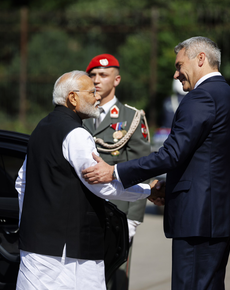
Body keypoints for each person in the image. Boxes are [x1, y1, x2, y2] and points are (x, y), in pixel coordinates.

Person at [83, 36, 230, 290]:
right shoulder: (227, 95)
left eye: (180, 65)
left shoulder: (201, 97)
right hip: (217, 217)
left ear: (200, 58)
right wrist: (168, 188)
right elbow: (206, 162)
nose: (175, 74)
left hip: (197, 220)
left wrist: (115, 171)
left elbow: (171, 154)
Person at [15, 70, 163, 290]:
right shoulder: (76, 134)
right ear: (73, 98)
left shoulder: (40, 128)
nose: (96, 97)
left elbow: (21, 183)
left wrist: (29, 226)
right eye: (91, 92)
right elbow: (102, 186)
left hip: (36, 247)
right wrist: (147, 190)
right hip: (69, 254)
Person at [83, 54, 151, 290]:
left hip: (117, 213)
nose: (96, 80)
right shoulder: (80, 115)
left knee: (116, 279)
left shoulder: (131, 117)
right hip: (84, 211)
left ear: (117, 79)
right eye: (92, 75)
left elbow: (142, 169)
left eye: (103, 75)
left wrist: (133, 218)